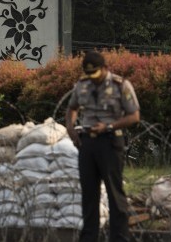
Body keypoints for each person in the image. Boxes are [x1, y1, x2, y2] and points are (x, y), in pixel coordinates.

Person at [65, 51, 140, 242]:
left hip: (110, 141)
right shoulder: (82, 84)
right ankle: (89, 238)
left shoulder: (120, 85)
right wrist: (71, 128)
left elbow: (134, 116)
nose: (93, 79)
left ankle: (119, 238)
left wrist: (109, 126)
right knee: (89, 195)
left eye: (96, 74)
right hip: (87, 143)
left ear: (105, 68)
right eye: (90, 75)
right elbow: (72, 108)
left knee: (115, 195)